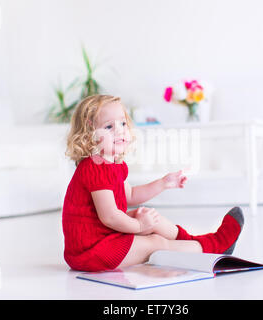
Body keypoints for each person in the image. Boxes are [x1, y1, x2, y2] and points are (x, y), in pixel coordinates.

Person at [62, 94, 244, 272]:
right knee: (154, 242)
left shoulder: (113, 164)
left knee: (151, 217)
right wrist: (141, 226)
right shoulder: (94, 166)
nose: (120, 130)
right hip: (89, 251)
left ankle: (194, 241)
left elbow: (130, 195)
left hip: (104, 236)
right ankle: (213, 246)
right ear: (90, 132)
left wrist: (163, 183)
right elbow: (110, 216)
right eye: (109, 126)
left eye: (123, 123)